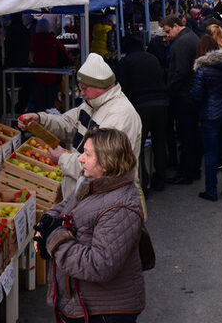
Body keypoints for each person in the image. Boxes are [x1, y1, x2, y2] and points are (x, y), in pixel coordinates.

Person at [39, 128, 145, 323]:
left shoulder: (121, 207)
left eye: (87, 154)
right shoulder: (92, 182)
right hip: (80, 303)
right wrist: (46, 224)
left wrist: (54, 240)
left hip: (104, 312)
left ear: (106, 162)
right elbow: (66, 206)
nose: (80, 159)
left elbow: (99, 265)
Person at [18, 53, 142, 198]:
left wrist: (62, 158)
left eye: (84, 88)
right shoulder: (93, 103)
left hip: (105, 200)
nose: (82, 93)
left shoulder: (120, 116)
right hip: (86, 194)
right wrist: (40, 119)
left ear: (99, 86)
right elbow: (69, 123)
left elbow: (102, 164)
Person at [190, 35, 222, 201]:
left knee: (211, 154)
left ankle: (211, 191)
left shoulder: (203, 70)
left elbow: (196, 95)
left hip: (210, 115)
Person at [114, 36, 168, 192]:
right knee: (159, 143)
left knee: (139, 145)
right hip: (162, 103)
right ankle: (160, 179)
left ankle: (143, 183)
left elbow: (122, 88)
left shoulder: (125, 63)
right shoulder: (153, 58)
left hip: (141, 106)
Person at [163, 14, 202, 185]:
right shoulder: (190, 37)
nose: (167, 35)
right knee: (191, 134)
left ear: (176, 26)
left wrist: (170, 88)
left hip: (184, 95)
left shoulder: (181, 43)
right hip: (191, 93)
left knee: (186, 135)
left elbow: (181, 71)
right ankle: (193, 170)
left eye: (168, 31)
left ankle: (187, 172)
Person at [30, 18, 70, 110]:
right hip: (53, 77)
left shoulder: (33, 41)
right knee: (51, 104)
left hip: (37, 76)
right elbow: (65, 58)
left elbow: (30, 57)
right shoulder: (54, 41)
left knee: (40, 104)